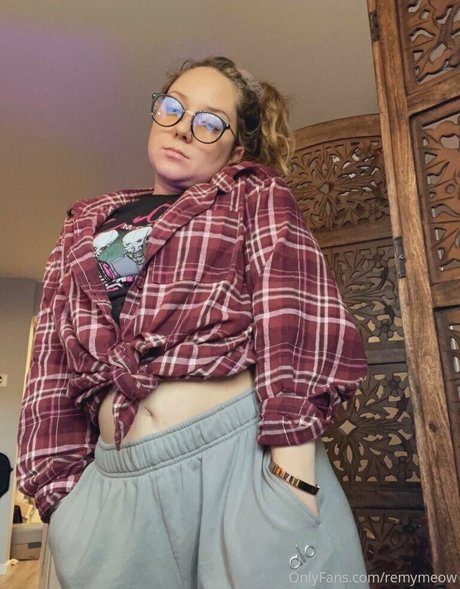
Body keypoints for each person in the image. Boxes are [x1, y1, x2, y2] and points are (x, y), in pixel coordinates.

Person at [17, 56, 369, 589]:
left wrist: (292, 478)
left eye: (209, 122)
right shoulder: (83, 229)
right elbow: (49, 370)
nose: (183, 127)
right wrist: (64, 505)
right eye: (173, 108)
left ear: (237, 149)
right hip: (113, 493)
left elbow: (297, 313)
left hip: (242, 467)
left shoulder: (251, 194)